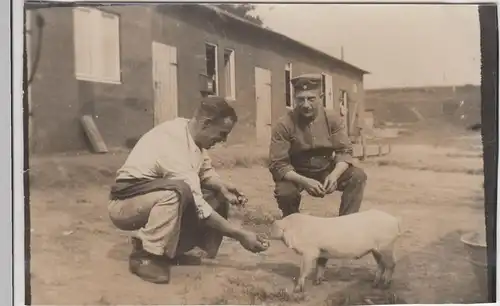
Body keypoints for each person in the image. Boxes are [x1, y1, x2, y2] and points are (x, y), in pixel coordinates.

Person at [108, 96, 269, 284]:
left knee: (212, 194)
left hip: (152, 198)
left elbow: (206, 172)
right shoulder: (172, 140)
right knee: (177, 192)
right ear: (207, 123)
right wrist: (240, 234)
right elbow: (199, 206)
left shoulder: (193, 136)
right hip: (125, 204)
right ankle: (146, 256)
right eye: (222, 133)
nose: (223, 140)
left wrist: (222, 187)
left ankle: (172, 252)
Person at [268, 73, 367, 218]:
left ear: (321, 97)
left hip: (326, 169)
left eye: (311, 99)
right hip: (297, 172)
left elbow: (344, 151)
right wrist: (306, 181)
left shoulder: (333, 119)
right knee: (285, 192)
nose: (306, 105)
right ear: (295, 99)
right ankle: (293, 221)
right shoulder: (284, 124)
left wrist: (334, 175)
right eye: (301, 99)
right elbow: (278, 164)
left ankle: (347, 220)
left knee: (358, 176)